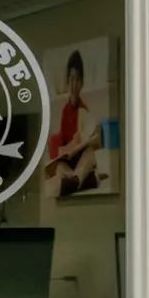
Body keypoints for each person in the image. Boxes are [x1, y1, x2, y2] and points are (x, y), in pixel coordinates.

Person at [43, 50, 105, 195]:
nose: (73, 84)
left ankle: (76, 180)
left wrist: (81, 144)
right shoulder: (65, 110)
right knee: (59, 167)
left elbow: (86, 140)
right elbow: (63, 141)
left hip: (81, 158)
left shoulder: (84, 110)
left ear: (81, 83)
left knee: (89, 155)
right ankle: (86, 180)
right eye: (71, 79)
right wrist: (60, 149)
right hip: (69, 161)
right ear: (67, 82)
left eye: (77, 80)